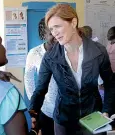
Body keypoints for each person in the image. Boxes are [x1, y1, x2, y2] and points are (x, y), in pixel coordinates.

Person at [29, 4, 115, 135]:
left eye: (57, 26)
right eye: (51, 29)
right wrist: (33, 113)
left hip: (93, 119)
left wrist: (106, 110)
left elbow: (110, 84)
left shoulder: (98, 51)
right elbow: (40, 89)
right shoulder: (50, 57)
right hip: (64, 121)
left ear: (73, 22)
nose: (54, 33)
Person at [24, 17, 57, 135]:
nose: (56, 35)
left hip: (67, 109)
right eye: (51, 32)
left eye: (57, 29)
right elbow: (28, 80)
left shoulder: (65, 50)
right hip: (46, 108)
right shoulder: (35, 53)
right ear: (43, 35)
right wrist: (35, 105)